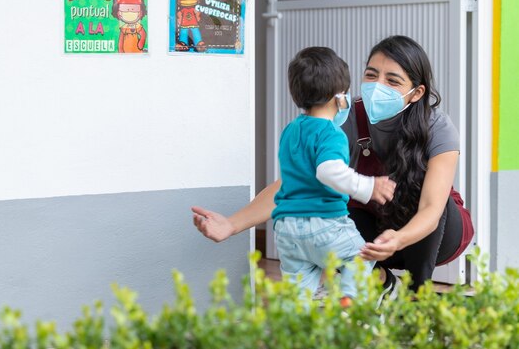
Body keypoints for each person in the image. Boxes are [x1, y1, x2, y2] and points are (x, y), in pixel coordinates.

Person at [192, 35, 474, 295]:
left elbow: (432, 209)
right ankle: (384, 284)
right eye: (371, 75)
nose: (378, 87)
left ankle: (418, 299)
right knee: (324, 214)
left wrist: (400, 239)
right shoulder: (346, 116)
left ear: (416, 92)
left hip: (431, 236)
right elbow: (294, 185)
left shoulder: (437, 127)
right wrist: (231, 224)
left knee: (430, 204)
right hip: (377, 232)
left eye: (393, 80)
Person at [269, 47, 395, 305]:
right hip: (324, 223)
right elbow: (328, 171)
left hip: (287, 228)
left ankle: (292, 328)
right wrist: (367, 186)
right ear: (339, 98)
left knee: (297, 293)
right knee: (361, 258)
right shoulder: (331, 133)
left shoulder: (290, 131)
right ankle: (348, 300)